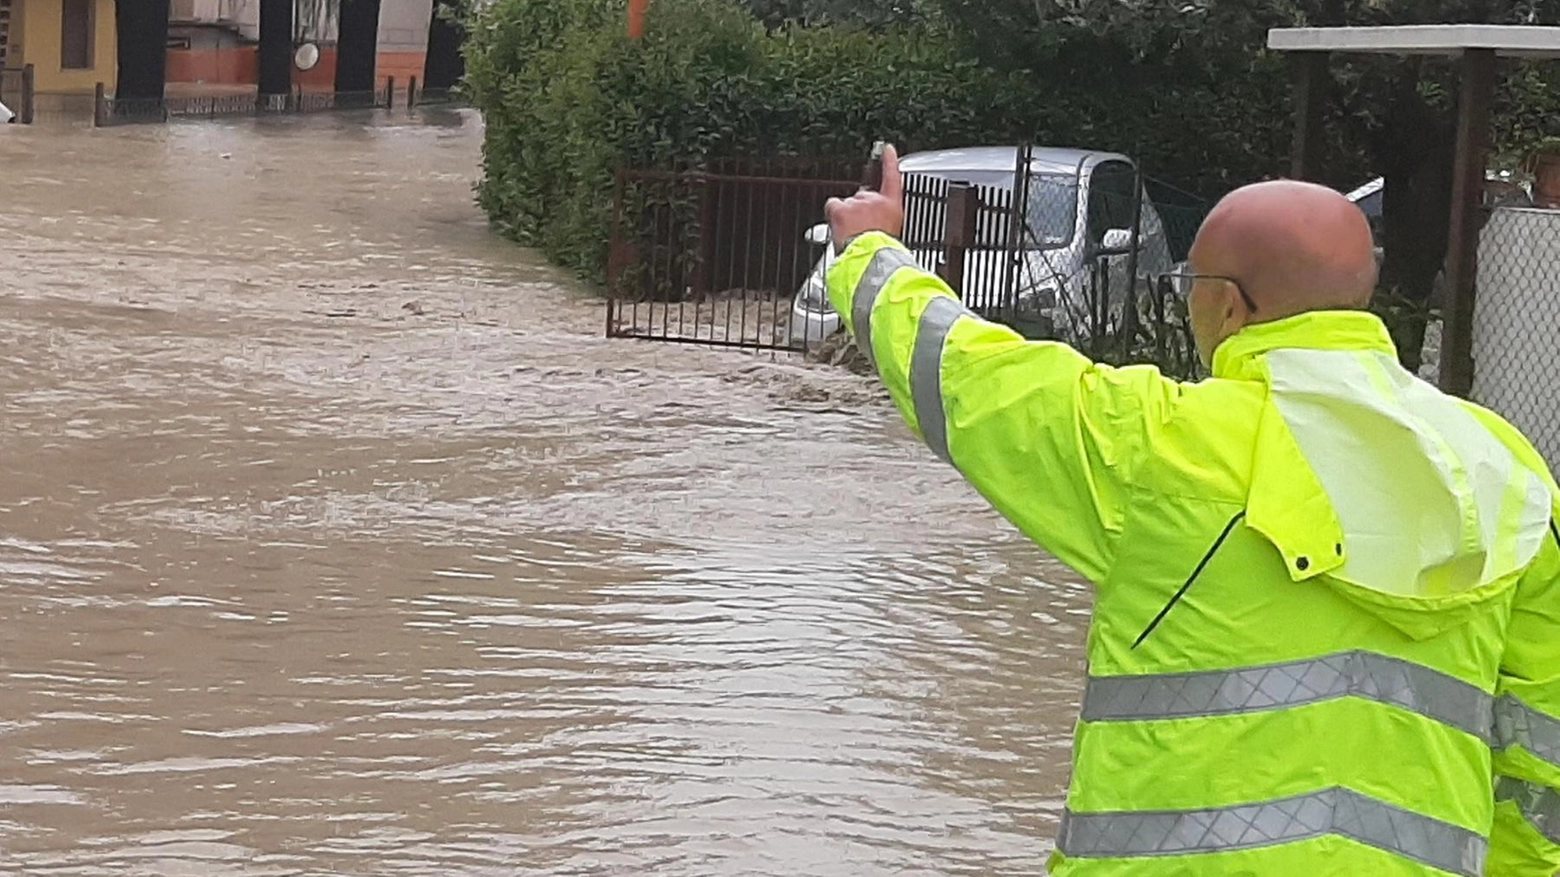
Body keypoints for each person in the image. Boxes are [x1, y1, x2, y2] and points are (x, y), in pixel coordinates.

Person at [824, 144, 1560, 876]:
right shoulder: (1508, 472)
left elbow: (965, 376)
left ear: (1229, 303)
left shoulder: (1161, 441)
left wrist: (869, 252)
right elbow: (1541, 761)